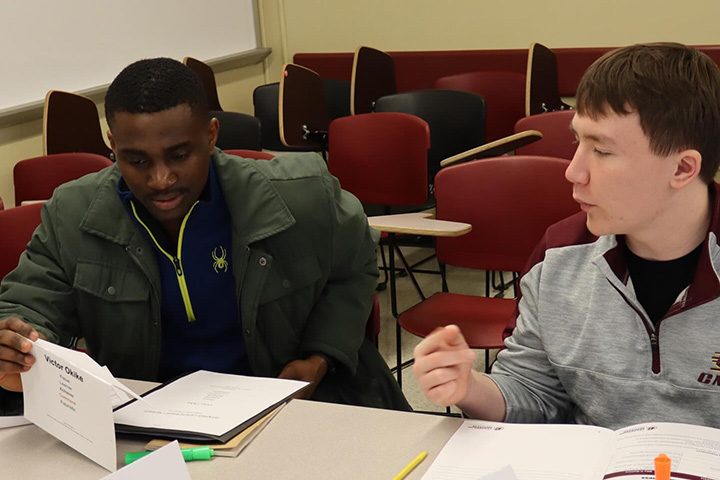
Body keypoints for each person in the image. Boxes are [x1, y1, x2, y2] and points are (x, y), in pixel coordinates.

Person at [0, 58, 409, 414]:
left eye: (180, 155)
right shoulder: (72, 216)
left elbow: (354, 267)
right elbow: (29, 303)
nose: (161, 179)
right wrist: (17, 345)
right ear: (112, 144)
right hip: (149, 418)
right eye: (136, 160)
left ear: (212, 134)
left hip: (294, 407)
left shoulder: (304, 195)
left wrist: (320, 358)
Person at [413, 42, 720, 429]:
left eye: (603, 152)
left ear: (682, 168)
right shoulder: (559, 254)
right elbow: (533, 393)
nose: (573, 172)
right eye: (578, 141)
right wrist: (470, 388)